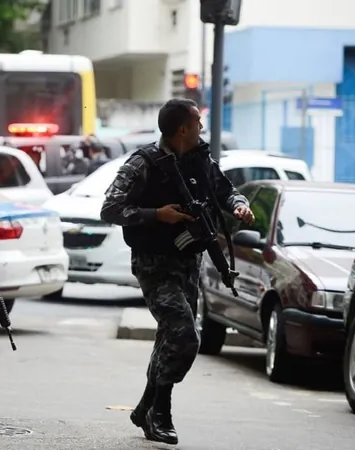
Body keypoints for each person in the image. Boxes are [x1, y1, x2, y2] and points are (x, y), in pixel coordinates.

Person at [100, 98, 255, 445]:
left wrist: (240, 206)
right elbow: (110, 208)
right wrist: (158, 215)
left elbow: (225, 190)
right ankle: (161, 411)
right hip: (154, 263)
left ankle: (144, 408)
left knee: (169, 336)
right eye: (198, 121)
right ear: (182, 128)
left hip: (188, 262)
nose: (202, 127)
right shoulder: (143, 162)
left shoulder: (200, 158)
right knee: (185, 335)